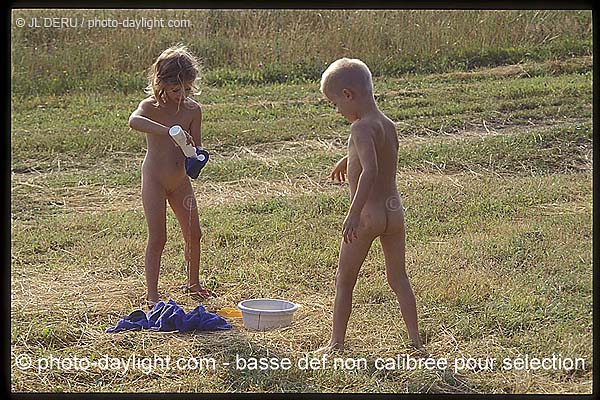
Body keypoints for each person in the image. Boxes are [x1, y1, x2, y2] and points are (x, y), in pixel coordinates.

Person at [319, 58, 424, 352]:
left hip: (367, 216)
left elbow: (370, 170)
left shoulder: (359, 129)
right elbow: (379, 155)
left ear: (348, 95)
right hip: (394, 213)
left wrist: (353, 213)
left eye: (334, 103)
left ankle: (336, 343)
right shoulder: (387, 125)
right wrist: (347, 158)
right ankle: (415, 341)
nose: (337, 110)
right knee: (398, 278)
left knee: (344, 279)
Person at [128, 44, 210, 307]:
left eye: (187, 89)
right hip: (155, 181)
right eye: (176, 89)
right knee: (158, 237)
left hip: (180, 182)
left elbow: (196, 146)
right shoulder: (150, 107)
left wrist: (197, 156)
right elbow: (134, 121)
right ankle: (152, 294)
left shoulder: (192, 110)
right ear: (160, 82)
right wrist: (168, 131)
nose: (181, 95)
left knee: (194, 233)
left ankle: (193, 283)